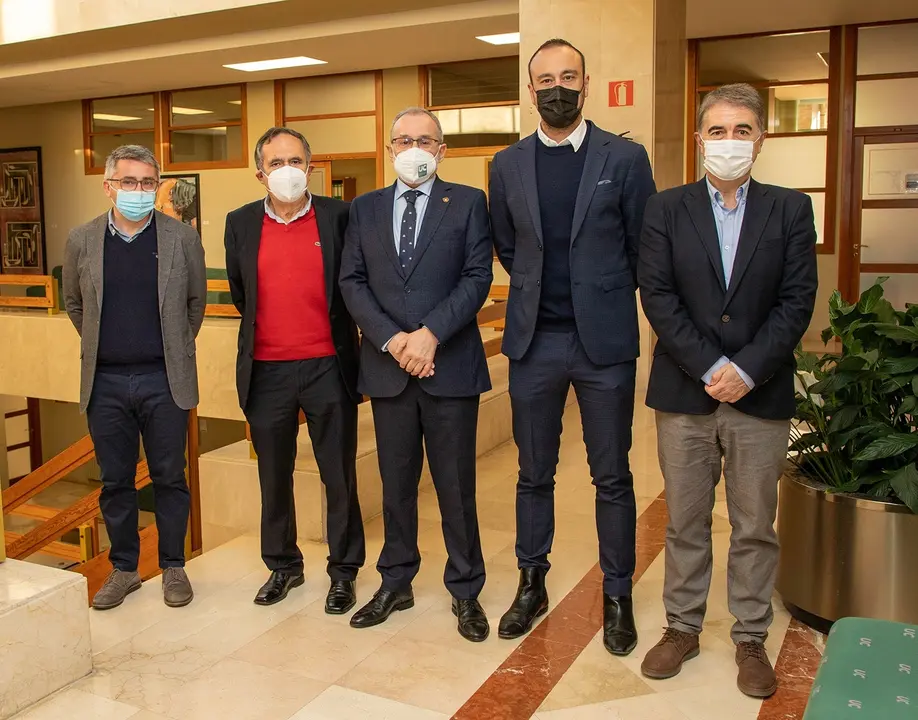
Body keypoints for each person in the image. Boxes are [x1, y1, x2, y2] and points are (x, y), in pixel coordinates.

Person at [637, 83, 818, 697]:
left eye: (742, 131)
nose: (729, 142)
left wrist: (746, 370)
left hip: (759, 395)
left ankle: (749, 637)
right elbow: (657, 296)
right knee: (685, 521)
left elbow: (797, 302)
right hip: (686, 391)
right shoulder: (665, 208)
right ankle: (682, 627)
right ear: (698, 140)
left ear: (761, 140)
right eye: (718, 131)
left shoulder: (790, 209)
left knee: (753, 524)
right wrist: (709, 363)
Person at [488, 38, 656, 654]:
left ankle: (617, 593)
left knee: (611, 475)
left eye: (568, 77)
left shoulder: (626, 158)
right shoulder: (507, 165)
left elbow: (644, 247)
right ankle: (531, 582)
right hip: (535, 342)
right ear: (530, 90)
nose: (556, 87)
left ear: (587, 84)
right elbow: (508, 246)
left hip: (603, 344)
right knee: (534, 474)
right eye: (544, 79)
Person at [339, 107, 493, 642]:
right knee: (395, 485)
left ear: (442, 149)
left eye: (425, 140)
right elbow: (352, 282)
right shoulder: (364, 209)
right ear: (389, 149)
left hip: (450, 366)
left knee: (456, 487)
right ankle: (396, 581)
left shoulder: (469, 202)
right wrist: (394, 339)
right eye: (403, 139)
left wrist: (430, 334)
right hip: (388, 369)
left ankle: (466, 589)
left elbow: (477, 277)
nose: (414, 148)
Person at [224, 127, 365, 612]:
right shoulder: (240, 223)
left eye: (295, 160)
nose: (287, 169)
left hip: (329, 365)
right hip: (267, 370)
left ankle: (344, 572)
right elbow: (243, 295)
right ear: (260, 172)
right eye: (276, 161)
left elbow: (354, 284)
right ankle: (283, 566)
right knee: (274, 475)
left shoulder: (340, 216)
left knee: (338, 475)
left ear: (310, 165)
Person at [63, 145, 206, 610]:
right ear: (109, 187)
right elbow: (75, 304)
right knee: (115, 481)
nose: (139, 191)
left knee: (170, 476)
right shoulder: (81, 240)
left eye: (148, 183)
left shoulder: (181, 239)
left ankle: (173, 566)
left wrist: (168, 351)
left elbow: (195, 306)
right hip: (104, 382)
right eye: (130, 182)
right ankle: (124, 569)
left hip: (164, 380)